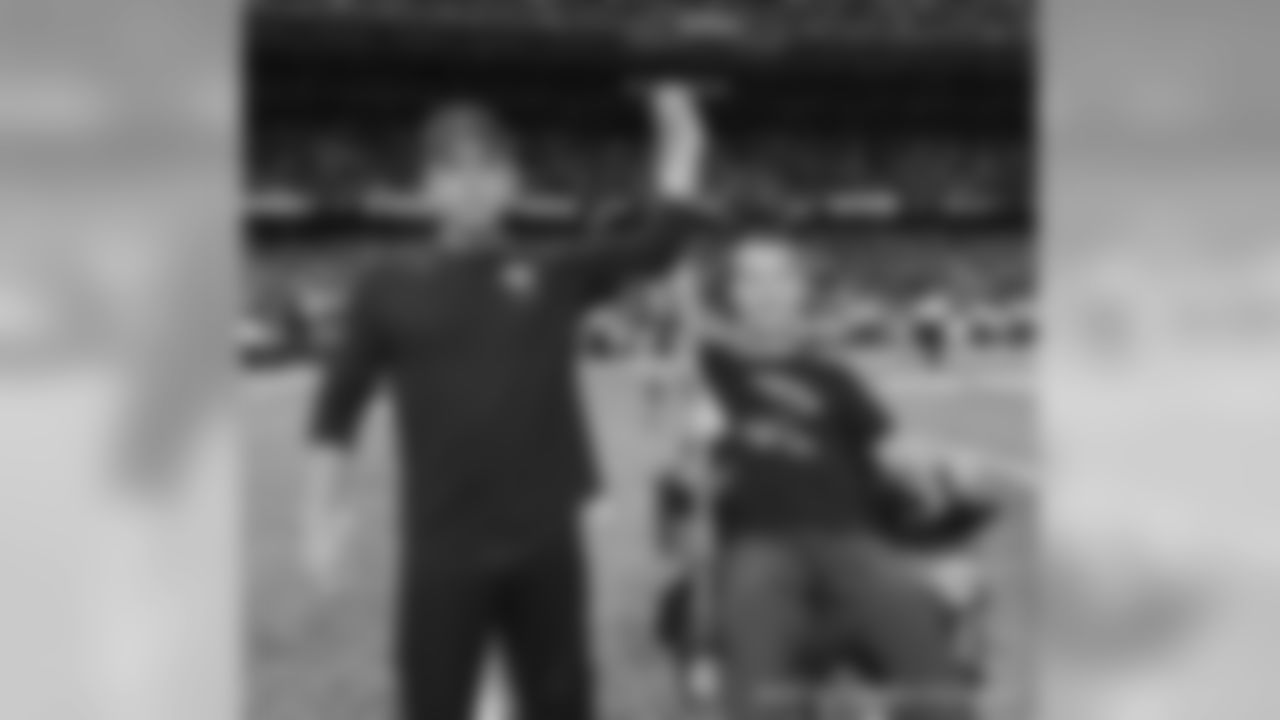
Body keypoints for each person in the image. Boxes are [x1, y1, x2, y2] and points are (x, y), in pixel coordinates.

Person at [302, 81, 713, 720]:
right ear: (428, 188)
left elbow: (659, 243)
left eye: (487, 169)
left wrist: (682, 141)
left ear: (511, 184)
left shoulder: (553, 271)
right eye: (453, 171)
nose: (471, 186)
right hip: (443, 552)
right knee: (434, 704)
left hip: (544, 546)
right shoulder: (386, 286)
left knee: (562, 704)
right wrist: (321, 514)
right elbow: (338, 407)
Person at [672, 232, 983, 720]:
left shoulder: (834, 377)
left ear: (801, 290)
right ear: (732, 295)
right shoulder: (712, 367)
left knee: (923, 651)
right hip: (760, 539)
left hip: (850, 535)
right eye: (751, 278)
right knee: (755, 667)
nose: (768, 288)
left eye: (781, 276)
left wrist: (939, 474)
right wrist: (690, 435)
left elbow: (891, 448)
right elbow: (680, 330)